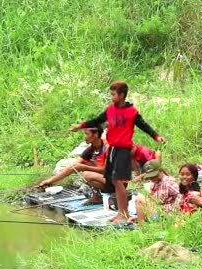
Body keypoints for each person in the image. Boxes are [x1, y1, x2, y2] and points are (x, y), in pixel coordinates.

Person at [70, 81, 166, 222]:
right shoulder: (110, 110)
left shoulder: (132, 112)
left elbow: (144, 126)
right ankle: (121, 211)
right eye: (111, 94)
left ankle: (124, 213)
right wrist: (80, 126)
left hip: (123, 149)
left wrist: (156, 136)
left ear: (122, 95)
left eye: (113, 94)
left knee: (118, 180)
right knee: (113, 181)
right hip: (113, 149)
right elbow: (97, 120)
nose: (111, 97)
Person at [39, 125, 108, 204]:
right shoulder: (90, 149)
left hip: (116, 181)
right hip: (104, 178)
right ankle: (97, 197)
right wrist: (49, 181)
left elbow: (106, 169)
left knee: (87, 174)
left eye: (87, 134)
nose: (85, 137)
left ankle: (114, 195)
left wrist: (83, 167)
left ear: (96, 135)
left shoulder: (107, 147)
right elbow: (73, 167)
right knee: (83, 164)